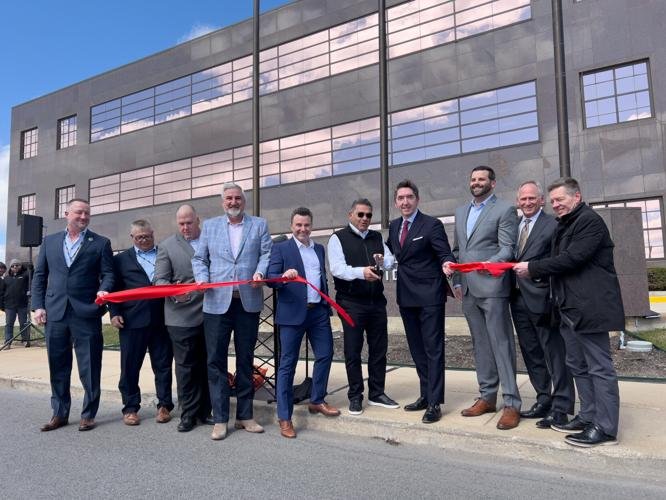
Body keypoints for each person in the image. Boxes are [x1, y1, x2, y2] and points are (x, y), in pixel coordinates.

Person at [514, 177, 623, 448]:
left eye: (560, 199)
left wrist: (532, 268)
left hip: (590, 307)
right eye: (553, 201)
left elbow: (573, 258)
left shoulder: (589, 221)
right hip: (568, 308)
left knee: (599, 367)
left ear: (577, 197)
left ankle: (605, 427)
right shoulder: (565, 224)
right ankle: (587, 416)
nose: (556, 205)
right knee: (577, 365)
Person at [192, 183, 272, 441]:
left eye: (237, 198)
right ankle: (220, 418)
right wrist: (202, 278)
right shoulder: (210, 226)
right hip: (217, 304)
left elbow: (266, 254)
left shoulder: (259, 225)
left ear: (243, 201)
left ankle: (245, 416)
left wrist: (260, 272)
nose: (233, 202)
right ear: (222, 202)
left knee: (245, 359)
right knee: (216, 361)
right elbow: (199, 259)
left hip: (247, 302)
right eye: (229, 198)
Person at [445, 166, 521, 430]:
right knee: (481, 345)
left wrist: (489, 264)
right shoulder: (461, 212)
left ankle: (512, 403)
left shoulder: (505, 209)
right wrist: (456, 278)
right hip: (468, 289)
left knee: (501, 344)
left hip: (493, 287)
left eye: (482, 179)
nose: (476, 182)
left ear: (493, 183)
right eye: (473, 179)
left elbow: (508, 248)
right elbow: (458, 251)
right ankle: (487, 397)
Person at [31, 198, 114, 432]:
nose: (84, 217)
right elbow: (39, 276)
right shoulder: (49, 242)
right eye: (79, 212)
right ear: (67, 214)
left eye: (87, 213)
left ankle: (88, 414)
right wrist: (38, 306)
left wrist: (104, 289)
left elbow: (108, 274)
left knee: (90, 366)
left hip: (86, 312)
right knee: (58, 366)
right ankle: (59, 413)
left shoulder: (100, 243)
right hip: (55, 312)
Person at [267, 207, 340, 439]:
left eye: (306, 225)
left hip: (317, 312)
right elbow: (270, 279)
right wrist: (283, 277)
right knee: (287, 365)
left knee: (326, 354)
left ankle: (317, 399)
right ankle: (285, 417)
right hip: (292, 315)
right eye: (298, 225)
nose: (303, 229)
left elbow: (321, 277)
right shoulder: (281, 248)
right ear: (291, 226)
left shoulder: (318, 248)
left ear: (311, 226)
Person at [386, 180, 455, 424]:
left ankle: (435, 402)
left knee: (433, 349)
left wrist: (447, 263)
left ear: (417, 200)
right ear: (396, 202)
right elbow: (389, 253)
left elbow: (444, 253)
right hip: (406, 296)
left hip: (430, 296)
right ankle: (425, 395)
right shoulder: (394, 226)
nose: (405, 202)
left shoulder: (431, 224)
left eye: (409, 197)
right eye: (400, 198)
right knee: (417, 349)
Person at [509, 181, 574, 428]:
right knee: (532, 352)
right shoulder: (513, 226)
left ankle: (561, 407)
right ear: (518, 201)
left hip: (543, 299)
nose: (527, 202)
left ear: (541, 200)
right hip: (516, 298)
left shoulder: (552, 224)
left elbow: (558, 261)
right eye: (523, 199)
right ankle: (543, 399)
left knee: (555, 354)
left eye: (531, 198)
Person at [328, 199, 399, 415]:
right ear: (350, 215)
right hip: (351, 302)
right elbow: (337, 269)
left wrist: (384, 261)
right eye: (360, 214)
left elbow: (390, 261)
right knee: (353, 350)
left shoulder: (376, 237)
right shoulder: (338, 238)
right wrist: (361, 272)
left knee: (379, 349)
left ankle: (377, 393)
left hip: (376, 301)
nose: (365, 219)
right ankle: (355, 395)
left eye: (368, 215)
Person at [109, 220, 174, 426]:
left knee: (163, 365)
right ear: (132, 238)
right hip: (132, 320)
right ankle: (130, 408)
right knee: (130, 367)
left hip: (163, 319)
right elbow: (114, 288)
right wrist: (114, 313)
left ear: (153, 234)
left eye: (147, 236)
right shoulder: (120, 260)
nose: (144, 240)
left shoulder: (164, 253)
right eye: (139, 237)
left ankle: (164, 405)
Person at [155, 204, 212, 433]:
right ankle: (188, 414)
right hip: (181, 316)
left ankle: (205, 411)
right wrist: (174, 292)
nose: (185, 227)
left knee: (208, 363)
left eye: (189, 222)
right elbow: (159, 280)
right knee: (186, 367)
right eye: (181, 224)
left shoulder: (211, 240)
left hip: (211, 312)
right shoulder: (167, 246)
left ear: (198, 220)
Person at [1, 259, 31, 348]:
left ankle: (25, 340)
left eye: (17, 265)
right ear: (10, 267)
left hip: (22, 305)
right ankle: (8, 342)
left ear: (20, 266)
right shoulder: (6, 279)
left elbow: (32, 276)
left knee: (23, 323)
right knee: (9, 324)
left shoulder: (25, 276)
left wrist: (30, 268)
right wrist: (2, 305)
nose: (15, 267)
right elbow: (2, 292)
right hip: (9, 306)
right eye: (13, 266)